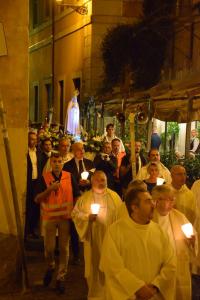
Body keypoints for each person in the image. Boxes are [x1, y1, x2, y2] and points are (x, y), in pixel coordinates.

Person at [100, 187, 176, 300]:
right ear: (134, 207)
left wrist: (155, 286)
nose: (153, 205)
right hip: (128, 295)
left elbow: (170, 262)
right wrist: (137, 287)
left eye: (151, 200)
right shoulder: (115, 231)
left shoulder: (159, 232)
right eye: (147, 201)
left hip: (154, 294)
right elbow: (112, 266)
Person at [72, 170, 122, 300]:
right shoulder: (85, 198)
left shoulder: (115, 197)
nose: (100, 183)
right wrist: (87, 217)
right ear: (92, 181)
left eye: (103, 180)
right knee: (94, 266)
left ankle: (111, 293)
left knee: (111, 266)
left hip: (111, 239)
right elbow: (75, 214)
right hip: (93, 239)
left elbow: (122, 218)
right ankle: (95, 294)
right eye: (97, 180)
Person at [35, 152, 80, 294]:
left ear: (62, 162)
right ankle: (51, 266)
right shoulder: (44, 178)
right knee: (49, 249)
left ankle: (61, 277)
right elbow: (36, 199)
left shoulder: (69, 176)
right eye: (54, 161)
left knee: (64, 249)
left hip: (65, 218)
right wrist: (49, 190)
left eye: (59, 161)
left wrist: (75, 210)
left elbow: (77, 195)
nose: (57, 164)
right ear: (50, 162)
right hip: (49, 218)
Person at [152, 185, 197, 300]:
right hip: (156, 269)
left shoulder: (179, 217)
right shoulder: (148, 218)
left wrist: (192, 242)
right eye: (168, 199)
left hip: (177, 266)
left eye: (172, 199)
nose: (171, 202)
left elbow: (193, 238)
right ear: (156, 201)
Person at [63, 142, 94, 265]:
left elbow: (94, 179)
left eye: (83, 149)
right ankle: (76, 254)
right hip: (74, 198)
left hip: (88, 197)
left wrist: (88, 183)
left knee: (89, 223)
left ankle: (89, 252)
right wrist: (77, 187)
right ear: (73, 151)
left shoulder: (90, 164)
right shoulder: (67, 166)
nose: (82, 151)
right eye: (79, 149)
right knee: (74, 225)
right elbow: (66, 182)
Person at [25, 131, 41, 239]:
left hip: (37, 182)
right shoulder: (25, 152)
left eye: (35, 139)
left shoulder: (38, 152)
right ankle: (25, 231)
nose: (33, 141)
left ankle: (32, 229)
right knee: (28, 207)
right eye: (31, 139)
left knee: (36, 207)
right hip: (28, 182)